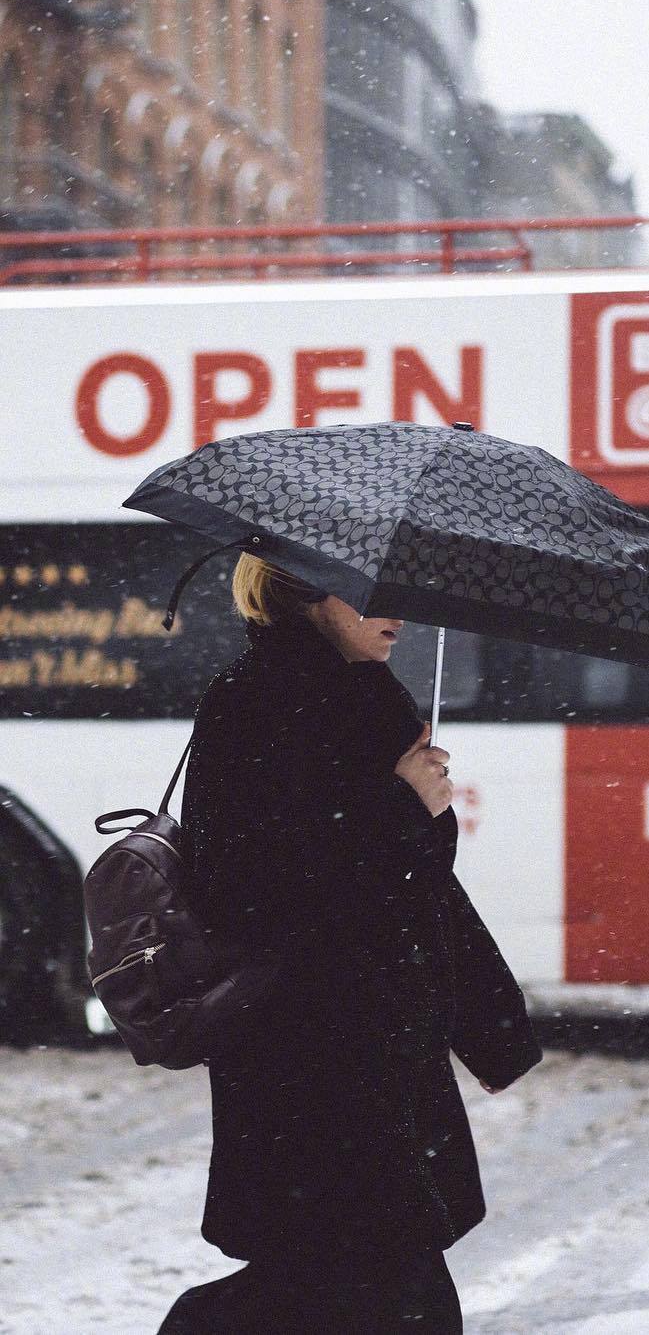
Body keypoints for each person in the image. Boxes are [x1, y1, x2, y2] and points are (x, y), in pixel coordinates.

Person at [156, 554, 543, 1333]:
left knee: (333, 1286)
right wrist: (402, 806)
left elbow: (419, 896)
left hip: (368, 1045)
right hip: (306, 1047)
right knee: (389, 1294)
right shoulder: (257, 700)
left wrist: (490, 1028)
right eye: (370, 588)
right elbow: (247, 889)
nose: (396, 609)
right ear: (305, 587)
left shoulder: (368, 701)